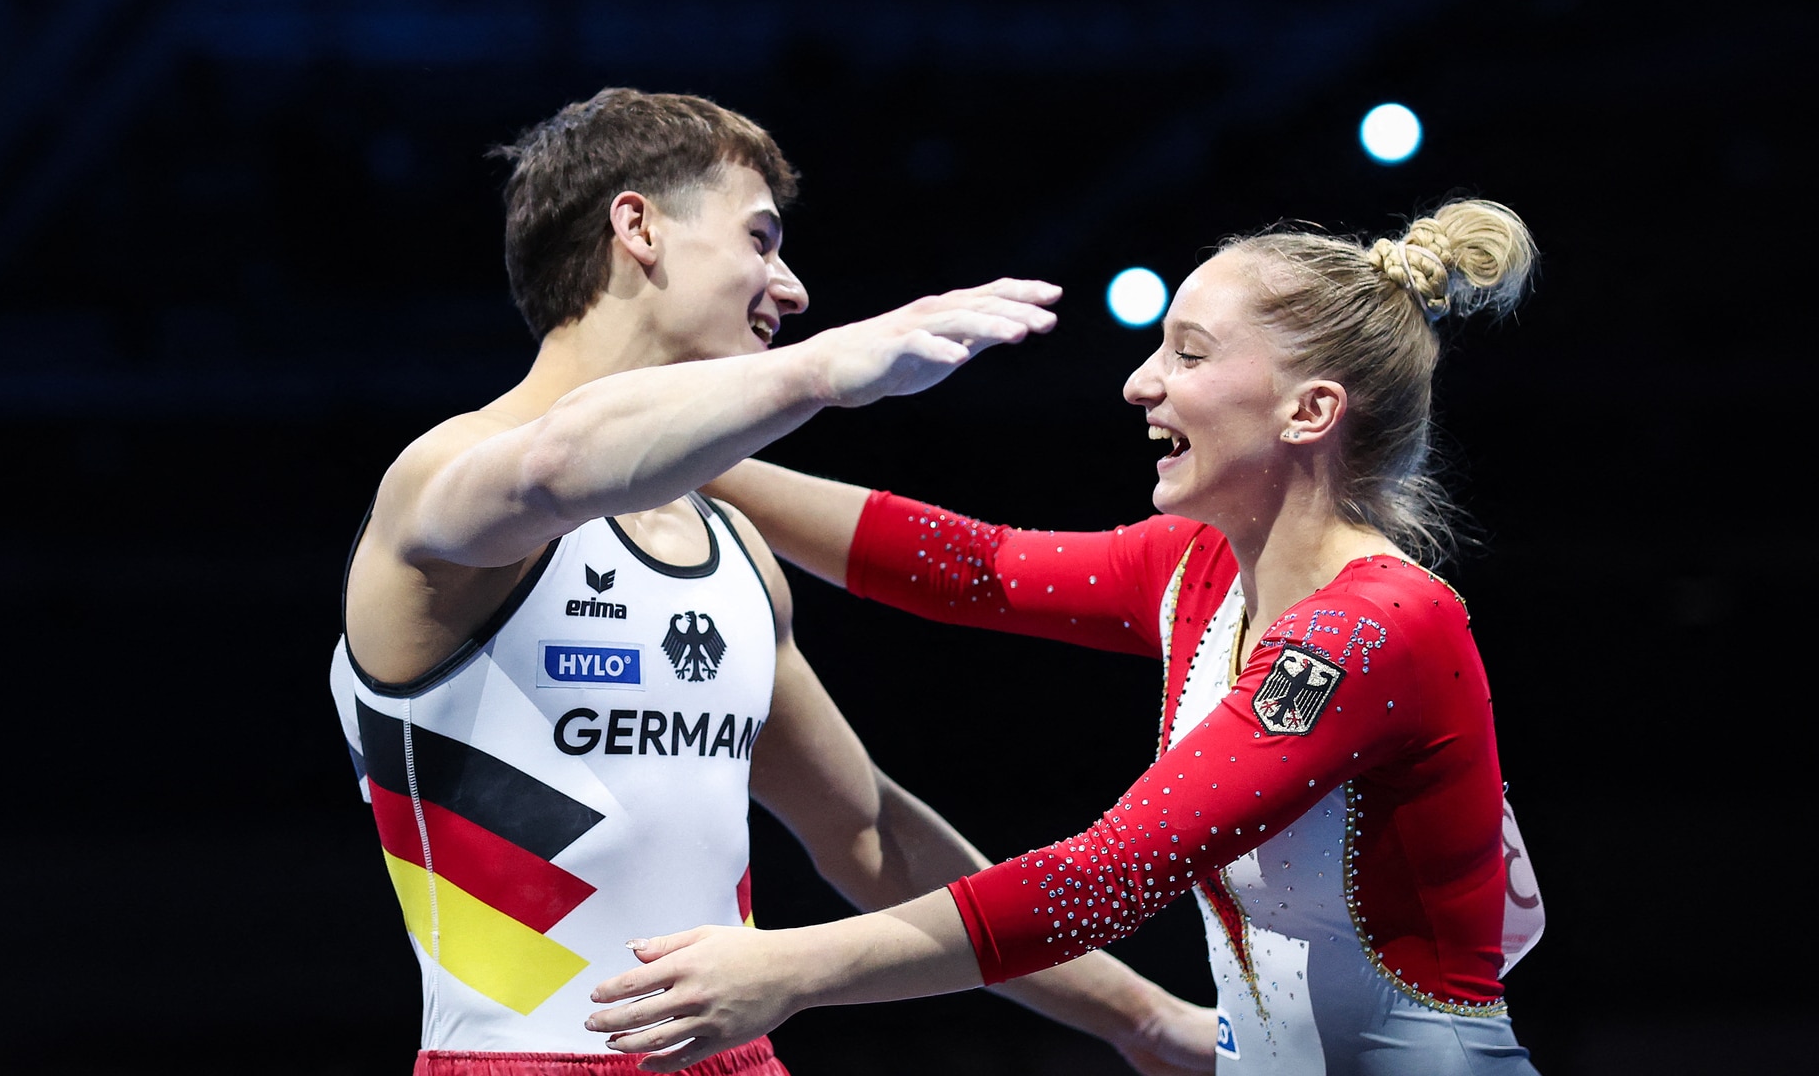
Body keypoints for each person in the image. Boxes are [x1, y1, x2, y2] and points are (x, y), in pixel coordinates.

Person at [327, 86, 1216, 1076]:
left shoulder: (735, 549)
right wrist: (824, 372)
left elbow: (873, 837)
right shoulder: (441, 487)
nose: (791, 291)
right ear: (639, 228)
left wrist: (1144, 1019)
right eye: (760, 239)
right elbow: (559, 462)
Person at [585, 197, 1546, 1075]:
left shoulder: (1377, 627)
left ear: (1311, 411)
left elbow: (1109, 875)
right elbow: (970, 566)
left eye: (1190, 354)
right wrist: (676, 454)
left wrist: (792, 966)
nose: (1139, 382)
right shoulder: (1197, 571)